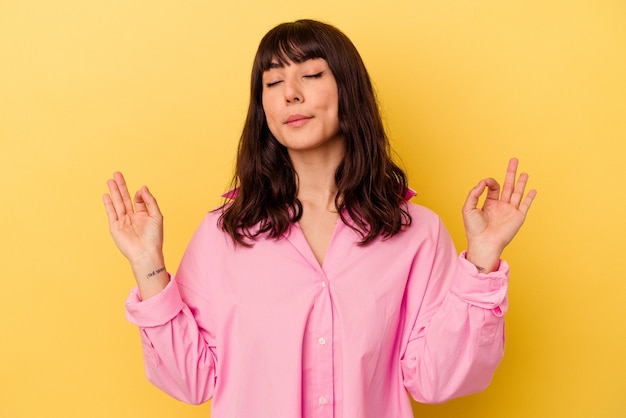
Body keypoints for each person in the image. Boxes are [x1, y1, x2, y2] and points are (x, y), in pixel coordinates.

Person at [103, 19, 536, 418]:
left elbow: (435, 380)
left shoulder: (416, 232)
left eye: (310, 75)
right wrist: (147, 265)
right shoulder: (223, 234)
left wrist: (481, 260)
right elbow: (191, 380)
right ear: (263, 110)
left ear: (348, 91)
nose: (290, 92)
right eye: (273, 82)